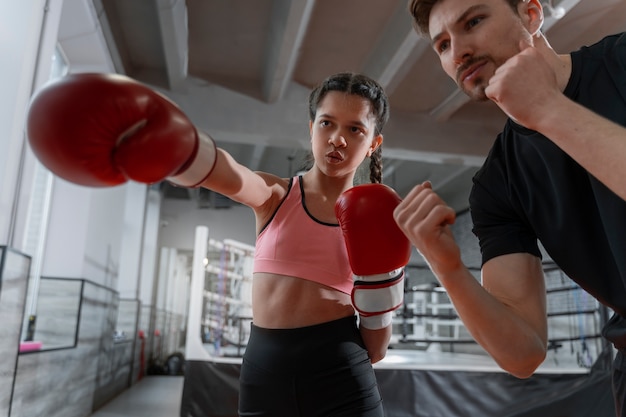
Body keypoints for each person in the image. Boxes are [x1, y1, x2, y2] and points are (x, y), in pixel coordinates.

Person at [26, 71, 411, 416]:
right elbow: (231, 175)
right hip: (266, 374)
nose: (337, 139)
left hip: (341, 374)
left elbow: (376, 349)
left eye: (355, 129)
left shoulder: (377, 215)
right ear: (311, 126)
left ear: (374, 142)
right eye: (326, 123)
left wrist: (382, 294)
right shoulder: (276, 195)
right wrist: (179, 150)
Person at [395, 0, 626, 414]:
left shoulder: (621, 62)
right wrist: (446, 266)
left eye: (474, 21)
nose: (459, 51)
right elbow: (523, 354)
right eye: (443, 45)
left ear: (532, 14)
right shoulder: (496, 186)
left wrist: (546, 109)